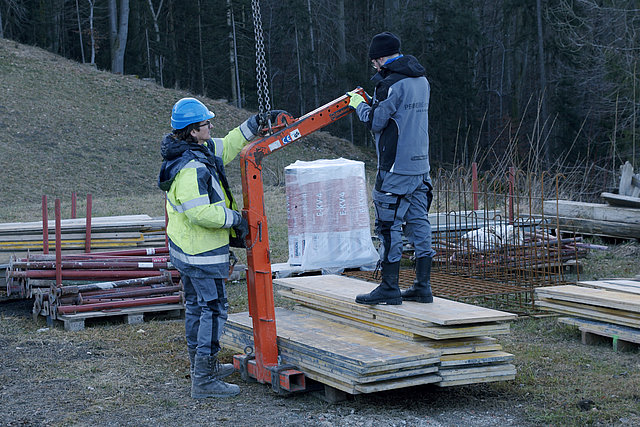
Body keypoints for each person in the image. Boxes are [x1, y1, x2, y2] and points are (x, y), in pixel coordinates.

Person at [158, 97, 283, 398]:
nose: (211, 127)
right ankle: (204, 379)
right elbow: (200, 213)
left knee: (198, 309)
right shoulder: (190, 169)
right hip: (200, 253)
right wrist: (236, 219)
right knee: (212, 311)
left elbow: (227, 146)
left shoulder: (195, 150)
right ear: (192, 131)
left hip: (189, 250)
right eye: (206, 124)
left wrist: (254, 124)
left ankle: (202, 366)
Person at [347, 31, 435, 305]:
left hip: (395, 168)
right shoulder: (421, 80)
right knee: (419, 222)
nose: (374, 67)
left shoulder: (390, 84)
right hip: (421, 167)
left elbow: (375, 121)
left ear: (380, 59)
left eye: (374, 62)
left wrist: (359, 104)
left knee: (388, 226)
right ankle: (422, 286)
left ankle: (389, 287)